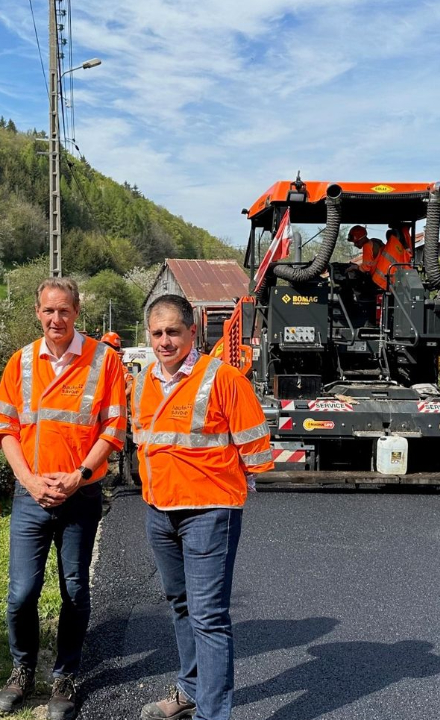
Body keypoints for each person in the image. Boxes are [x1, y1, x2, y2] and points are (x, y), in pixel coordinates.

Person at [0, 277, 127, 719]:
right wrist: (28, 481)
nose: (56, 318)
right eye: (48, 310)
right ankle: (22, 669)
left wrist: (80, 474)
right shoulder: (21, 361)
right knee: (21, 594)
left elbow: (113, 429)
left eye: (64, 310)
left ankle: (65, 675)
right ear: (37, 312)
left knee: (74, 589)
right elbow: (4, 430)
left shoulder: (104, 361)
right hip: (31, 494)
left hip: (80, 493)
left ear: (77, 311)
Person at [132, 294, 274, 720]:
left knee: (208, 615)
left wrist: (229, 488)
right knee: (181, 606)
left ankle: (213, 714)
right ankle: (190, 690)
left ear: (193, 331)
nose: (164, 341)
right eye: (156, 333)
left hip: (209, 513)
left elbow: (256, 453)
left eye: (173, 331)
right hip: (160, 511)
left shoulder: (224, 379)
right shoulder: (142, 381)